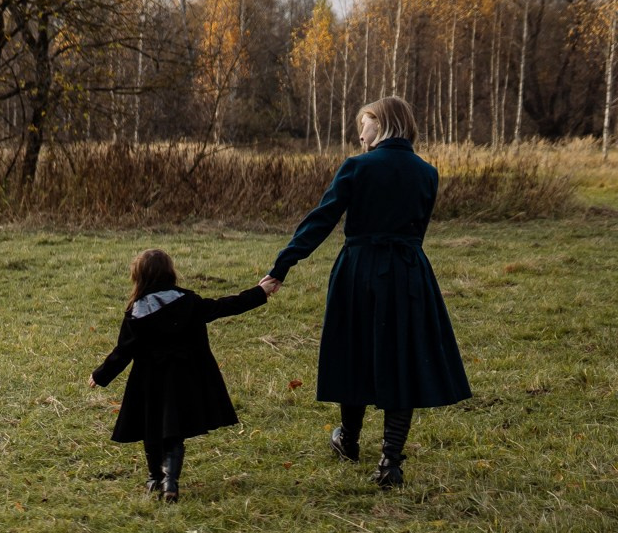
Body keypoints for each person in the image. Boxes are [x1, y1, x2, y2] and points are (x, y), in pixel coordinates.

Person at [262, 96, 470, 487]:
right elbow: (418, 229)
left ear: (384, 124)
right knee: (401, 358)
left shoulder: (357, 166)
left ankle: (350, 441)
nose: (361, 133)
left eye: (366, 124)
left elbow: (320, 220)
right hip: (409, 273)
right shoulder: (427, 172)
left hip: (359, 270)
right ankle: (390, 461)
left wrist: (282, 266)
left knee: (353, 352)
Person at [90, 248, 269, 502]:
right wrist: (259, 292)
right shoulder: (189, 302)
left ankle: (154, 479)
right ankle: (170, 482)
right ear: (170, 273)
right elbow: (224, 306)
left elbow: (124, 351)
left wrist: (100, 375)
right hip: (184, 378)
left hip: (149, 382)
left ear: (138, 277)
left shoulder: (136, 311)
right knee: (173, 432)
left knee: (152, 429)